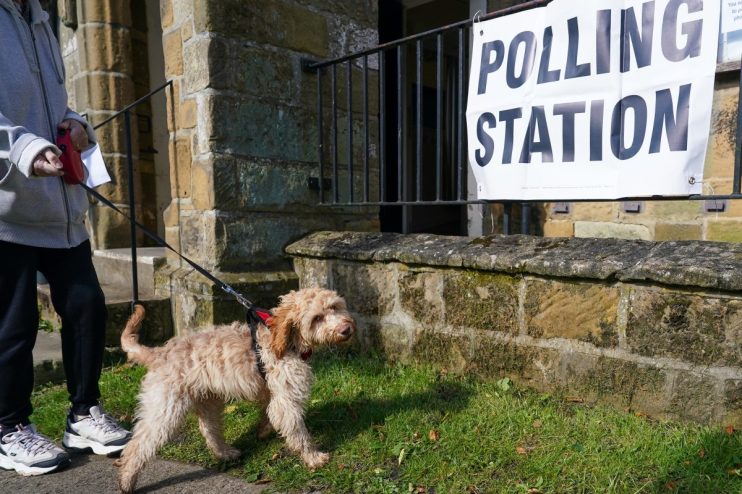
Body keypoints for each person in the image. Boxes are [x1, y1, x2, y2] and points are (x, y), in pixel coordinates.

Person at [0, 0, 131, 475]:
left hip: (60, 208)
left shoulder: (41, 20)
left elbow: (51, 105)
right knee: (14, 326)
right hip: (7, 209)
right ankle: (9, 427)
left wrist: (77, 124)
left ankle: (82, 414)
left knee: (87, 305)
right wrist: (25, 148)